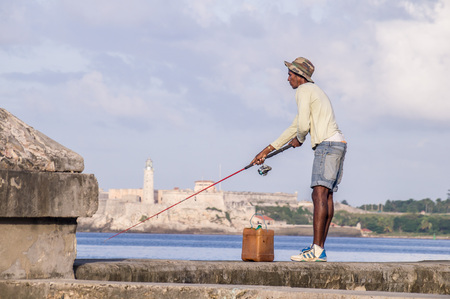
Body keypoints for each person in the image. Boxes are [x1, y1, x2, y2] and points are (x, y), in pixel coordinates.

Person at [251, 57, 347, 262]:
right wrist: (266, 151)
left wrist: (301, 138)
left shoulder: (304, 91)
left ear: (300, 77)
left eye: (290, 75)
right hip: (338, 144)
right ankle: (319, 250)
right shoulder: (315, 92)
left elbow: (301, 127)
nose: (287, 79)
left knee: (318, 194)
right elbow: (295, 126)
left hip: (327, 145)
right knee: (326, 196)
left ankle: (316, 249)